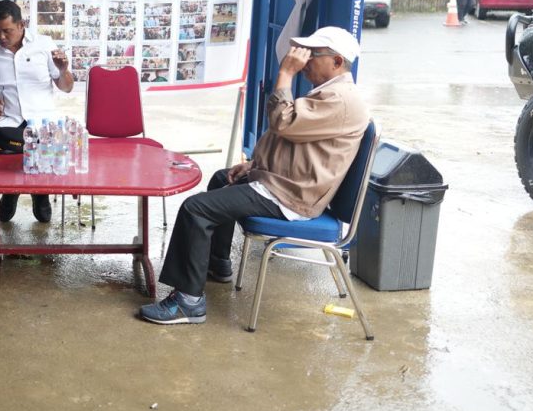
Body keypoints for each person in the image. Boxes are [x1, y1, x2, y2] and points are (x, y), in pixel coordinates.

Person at [139, 26, 370, 326]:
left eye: (314, 54)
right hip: (285, 180)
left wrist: (285, 75)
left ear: (337, 62)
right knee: (223, 179)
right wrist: (253, 165)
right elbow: (289, 140)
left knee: (195, 209)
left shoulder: (340, 100)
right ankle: (217, 263)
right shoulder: (331, 93)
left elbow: (283, 123)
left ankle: (188, 303)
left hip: (291, 194)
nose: (306, 60)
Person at [0, 0, 73, 222]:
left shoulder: (44, 45)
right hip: (8, 122)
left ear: (21, 24)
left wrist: (64, 71)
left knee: (40, 145)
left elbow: (66, 87)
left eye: (7, 31)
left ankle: (40, 193)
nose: (2, 37)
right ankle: (10, 190)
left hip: (43, 122)